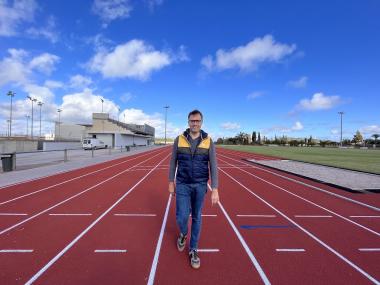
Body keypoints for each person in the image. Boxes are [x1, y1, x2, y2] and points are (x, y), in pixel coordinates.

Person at [168, 109, 219, 269]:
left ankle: (193, 249)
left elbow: (214, 165)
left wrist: (215, 188)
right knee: (182, 216)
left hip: (200, 185)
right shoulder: (179, 139)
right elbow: (172, 162)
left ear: (201, 122)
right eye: (192, 121)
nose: (194, 123)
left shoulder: (208, 141)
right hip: (182, 183)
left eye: (197, 121)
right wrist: (171, 181)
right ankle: (183, 234)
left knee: (197, 216)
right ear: (188, 122)